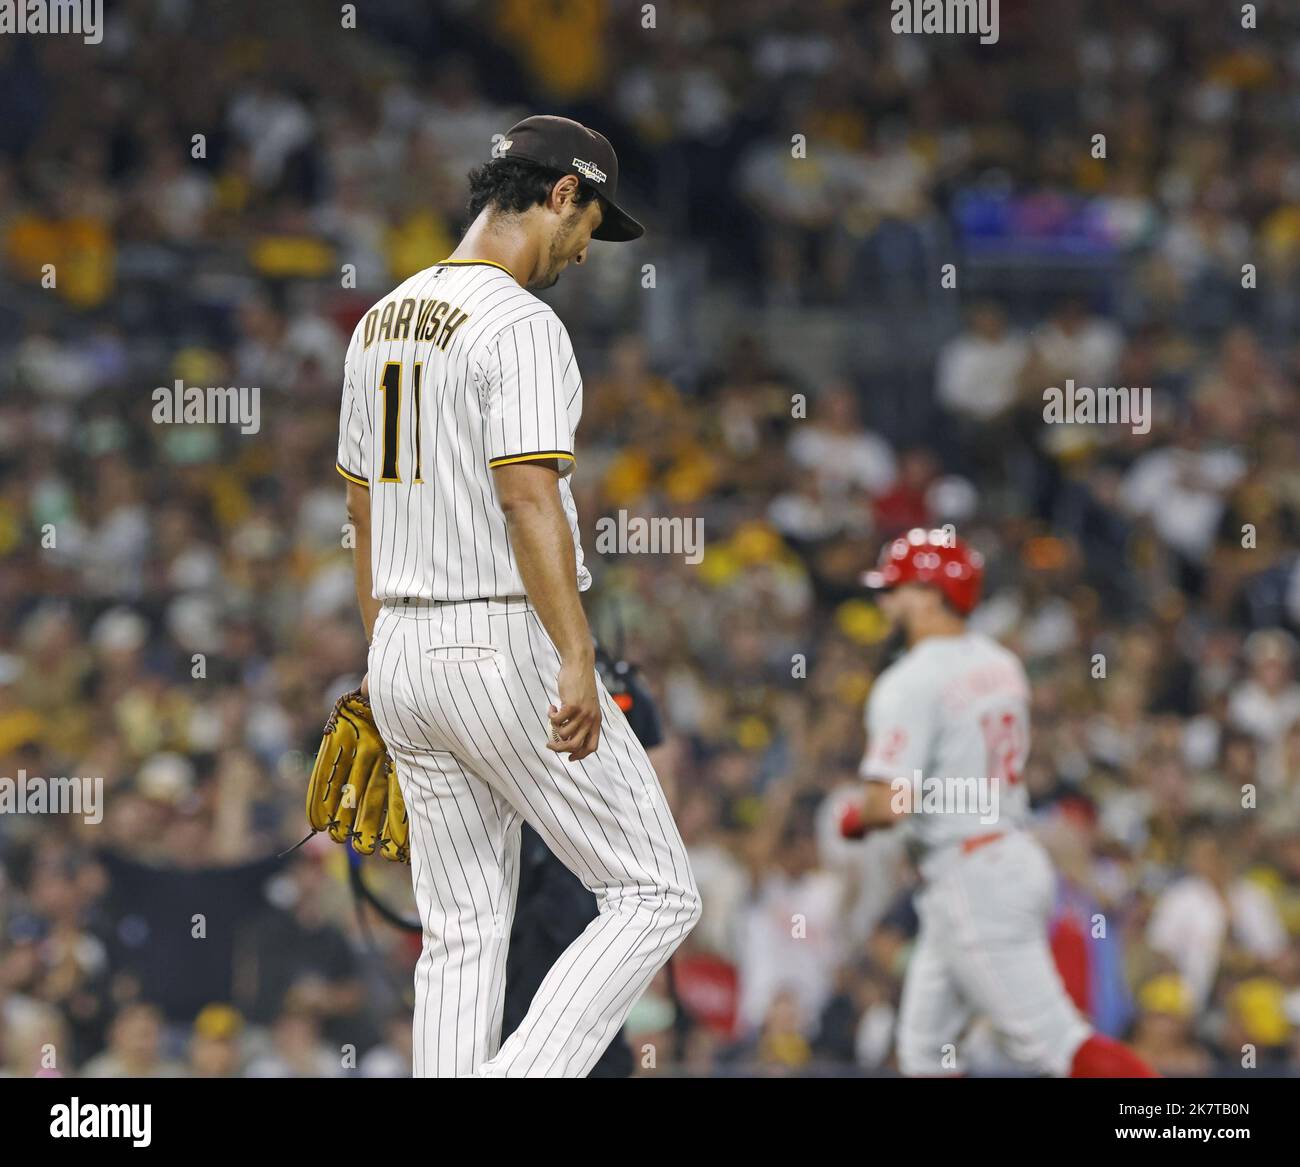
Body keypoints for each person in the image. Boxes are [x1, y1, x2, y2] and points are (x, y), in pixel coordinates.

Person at [336, 115, 700, 1077]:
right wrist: (576, 654)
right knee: (656, 891)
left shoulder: (379, 320)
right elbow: (525, 493)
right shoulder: (521, 321)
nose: (585, 253)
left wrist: (381, 668)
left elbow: (363, 516)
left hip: (404, 647)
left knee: (462, 929)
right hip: (499, 640)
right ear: (562, 194)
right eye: (590, 226)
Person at [839, 528, 1155, 1078]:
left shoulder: (909, 680)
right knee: (924, 1052)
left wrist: (852, 818)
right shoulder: (1001, 663)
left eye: (897, 589)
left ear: (933, 593)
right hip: (999, 857)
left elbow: (888, 803)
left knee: (1060, 1045)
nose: (885, 600)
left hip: (972, 872)